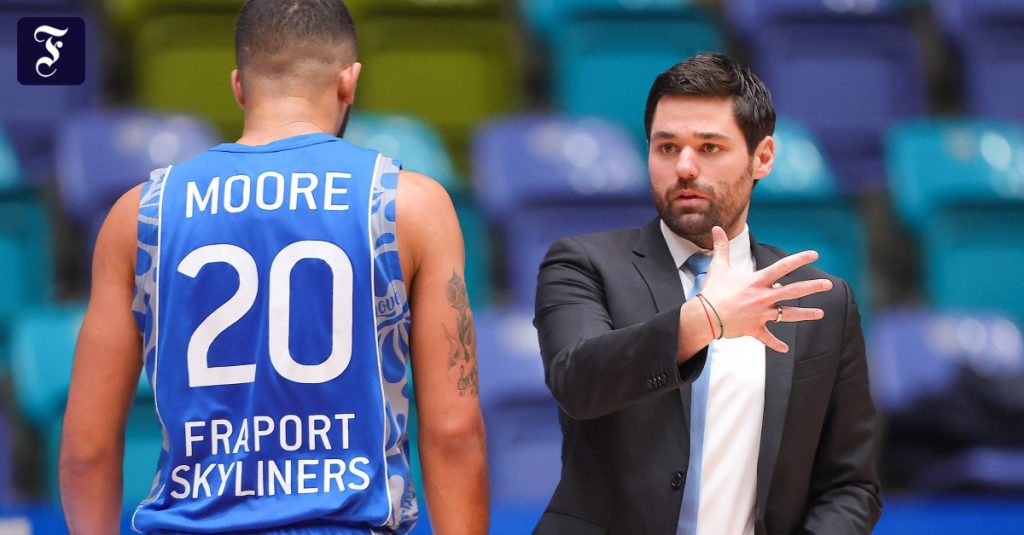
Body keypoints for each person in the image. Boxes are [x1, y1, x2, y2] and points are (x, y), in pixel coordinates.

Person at [58, 1, 488, 533]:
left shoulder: (142, 212)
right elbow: (453, 432)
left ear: (239, 86)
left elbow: (87, 449)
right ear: (349, 82)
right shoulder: (410, 205)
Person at [532, 53, 881, 534]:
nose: (685, 167)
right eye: (667, 147)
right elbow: (578, 381)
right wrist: (704, 321)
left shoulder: (821, 302)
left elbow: (850, 485)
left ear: (763, 158)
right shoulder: (584, 264)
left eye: (710, 148)